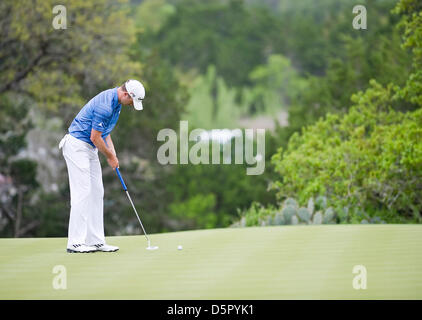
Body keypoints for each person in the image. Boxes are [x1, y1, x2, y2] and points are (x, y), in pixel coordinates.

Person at [58, 79, 145, 253]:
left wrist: (113, 153)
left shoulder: (117, 104)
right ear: (126, 94)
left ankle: (95, 240)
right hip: (76, 146)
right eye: (131, 101)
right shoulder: (105, 105)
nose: (130, 105)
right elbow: (95, 137)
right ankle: (75, 243)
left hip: (89, 148)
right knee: (82, 192)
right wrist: (110, 156)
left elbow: (105, 133)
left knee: (97, 191)